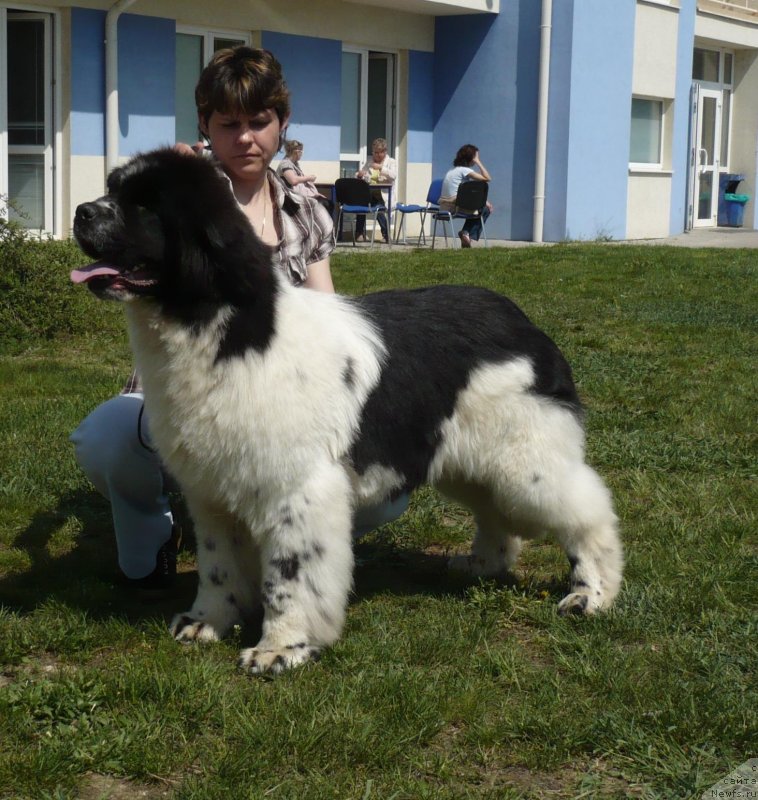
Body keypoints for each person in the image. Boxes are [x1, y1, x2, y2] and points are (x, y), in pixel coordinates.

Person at [71, 47, 408, 593]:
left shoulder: (307, 210)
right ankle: (158, 533)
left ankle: (265, 548)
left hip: (273, 402)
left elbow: (329, 313)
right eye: (228, 124)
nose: (245, 137)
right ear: (205, 125)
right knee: (109, 439)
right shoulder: (181, 196)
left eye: (259, 122)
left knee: (382, 493)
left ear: (281, 124)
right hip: (185, 397)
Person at [439, 144, 492, 248]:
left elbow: (465, 192)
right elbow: (487, 178)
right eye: (476, 157)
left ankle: (466, 235)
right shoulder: (464, 170)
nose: (477, 159)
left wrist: (483, 201)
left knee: (480, 206)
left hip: (445, 206)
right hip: (456, 206)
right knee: (485, 209)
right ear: (471, 157)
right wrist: (478, 162)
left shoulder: (453, 170)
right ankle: (467, 234)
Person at [354, 137, 396, 242]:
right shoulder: (370, 162)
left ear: (385, 152)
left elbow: (393, 175)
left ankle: (386, 235)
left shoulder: (391, 162)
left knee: (378, 208)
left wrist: (381, 168)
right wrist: (359, 175)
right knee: (360, 204)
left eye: (379, 153)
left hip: (384, 195)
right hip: (370, 194)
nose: (376, 155)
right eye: (374, 152)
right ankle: (359, 233)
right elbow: (361, 174)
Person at [276, 139, 334, 215]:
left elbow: (302, 186)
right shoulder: (285, 164)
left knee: (328, 203)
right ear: (296, 152)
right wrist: (309, 178)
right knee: (324, 205)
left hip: (298, 196)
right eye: (301, 151)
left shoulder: (295, 164)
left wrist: (316, 194)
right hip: (290, 199)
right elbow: (293, 180)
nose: (302, 153)